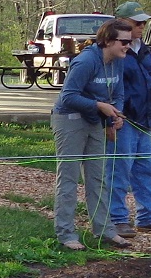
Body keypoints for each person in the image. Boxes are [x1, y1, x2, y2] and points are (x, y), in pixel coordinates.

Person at [50, 18, 133, 251]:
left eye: (130, 42)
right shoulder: (86, 61)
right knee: (68, 178)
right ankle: (66, 234)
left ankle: (105, 230)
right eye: (124, 42)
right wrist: (99, 105)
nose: (128, 46)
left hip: (95, 120)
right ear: (108, 41)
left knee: (98, 177)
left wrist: (115, 114)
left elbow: (118, 94)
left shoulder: (118, 61)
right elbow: (68, 96)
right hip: (69, 119)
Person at [109, 2, 151, 237]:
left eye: (143, 23)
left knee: (146, 170)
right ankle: (117, 219)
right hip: (123, 119)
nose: (141, 27)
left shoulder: (144, 48)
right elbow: (111, 85)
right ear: (120, 23)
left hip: (145, 117)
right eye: (136, 23)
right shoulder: (114, 50)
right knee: (119, 171)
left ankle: (148, 217)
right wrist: (115, 114)